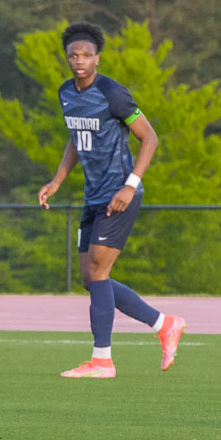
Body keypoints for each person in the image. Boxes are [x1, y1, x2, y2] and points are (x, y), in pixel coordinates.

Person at [37, 21, 185, 379]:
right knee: (91, 278)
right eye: (74, 55)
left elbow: (149, 138)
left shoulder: (113, 93)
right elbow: (76, 138)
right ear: (67, 58)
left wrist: (130, 185)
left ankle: (102, 360)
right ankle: (164, 324)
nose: (80, 60)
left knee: (100, 272)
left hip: (120, 195)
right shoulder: (65, 93)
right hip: (93, 196)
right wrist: (58, 180)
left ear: (97, 58)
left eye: (87, 54)